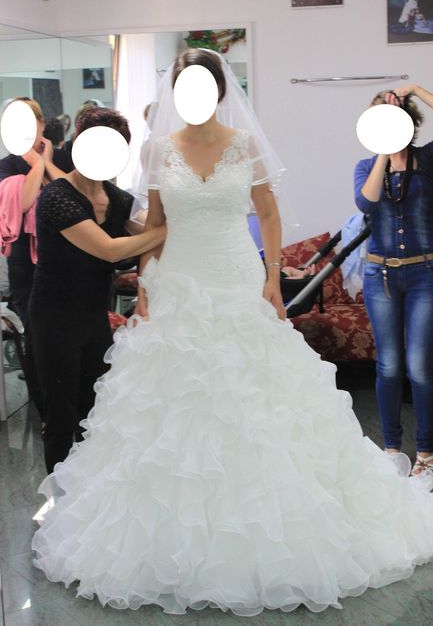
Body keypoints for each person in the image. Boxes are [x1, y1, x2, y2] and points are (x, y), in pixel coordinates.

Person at [32, 51, 433, 616]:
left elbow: (267, 213)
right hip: (179, 281)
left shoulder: (244, 144)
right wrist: (146, 283)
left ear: (220, 91)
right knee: (172, 401)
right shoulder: (156, 149)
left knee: (256, 394)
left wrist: (272, 276)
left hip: (237, 276)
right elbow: (156, 223)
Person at [28, 107, 166, 474]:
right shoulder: (56, 197)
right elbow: (109, 249)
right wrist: (163, 231)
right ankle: (58, 495)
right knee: (61, 413)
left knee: (96, 411)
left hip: (94, 317)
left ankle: (87, 490)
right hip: (54, 317)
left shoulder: (117, 198)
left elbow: (146, 235)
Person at [354, 85, 433, 478]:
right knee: (388, 366)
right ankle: (390, 448)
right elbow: (366, 203)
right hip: (380, 275)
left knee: (419, 366)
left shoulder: (427, 159)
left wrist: (415, 89)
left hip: (424, 275)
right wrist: (384, 151)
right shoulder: (366, 166)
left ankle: (426, 454)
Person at [0, 97, 68, 421]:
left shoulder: (64, 159)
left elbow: (76, 198)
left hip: (65, 260)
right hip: (25, 267)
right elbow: (23, 202)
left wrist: (48, 162)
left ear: (41, 124)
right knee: (37, 336)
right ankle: (47, 413)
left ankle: (70, 407)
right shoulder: (7, 166)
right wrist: (37, 164)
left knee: (64, 336)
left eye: (29, 121)